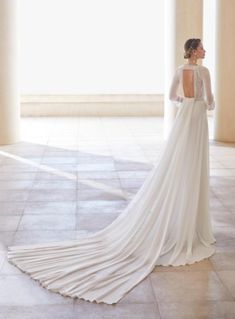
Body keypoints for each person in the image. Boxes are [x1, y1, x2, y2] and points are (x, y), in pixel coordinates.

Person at [8, 38, 216, 305]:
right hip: (197, 120)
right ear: (194, 51)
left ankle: (179, 220)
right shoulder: (204, 71)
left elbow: (172, 97)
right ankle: (189, 226)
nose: (205, 51)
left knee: (177, 165)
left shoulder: (179, 70)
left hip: (183, 121)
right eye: (202, 47)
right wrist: (202, 104)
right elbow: (209, 101)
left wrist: (185, 104)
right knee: (194, 168)